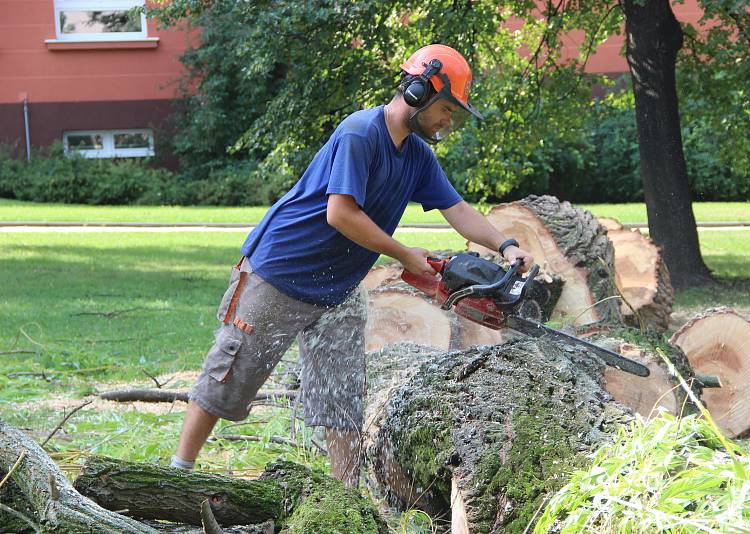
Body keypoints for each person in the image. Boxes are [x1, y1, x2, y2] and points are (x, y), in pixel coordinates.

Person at [170, 44, 534, 487]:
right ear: (419, 91)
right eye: (445, 109)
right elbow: (340, 213)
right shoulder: (360, 133)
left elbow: (457, 209)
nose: (447, 121)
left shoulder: (418, 156)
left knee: (341, 395)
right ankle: (179, 473)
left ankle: (345, 496)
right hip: (280, 273)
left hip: (338, 287)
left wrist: (507, 244)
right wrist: (404, 254)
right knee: (229, 375)